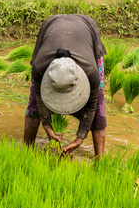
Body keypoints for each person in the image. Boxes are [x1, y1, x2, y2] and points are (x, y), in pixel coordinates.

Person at [23, 14, 107, 159]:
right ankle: (25, 153)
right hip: (51, 26)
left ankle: (100, 161)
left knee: (98, 106)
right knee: (34, 104)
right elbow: (39, 97)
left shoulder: (90, 70)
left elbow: (92, 105)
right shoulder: (40, 67)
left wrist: (79, 139)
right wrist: (47, 127)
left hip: (86, 28)